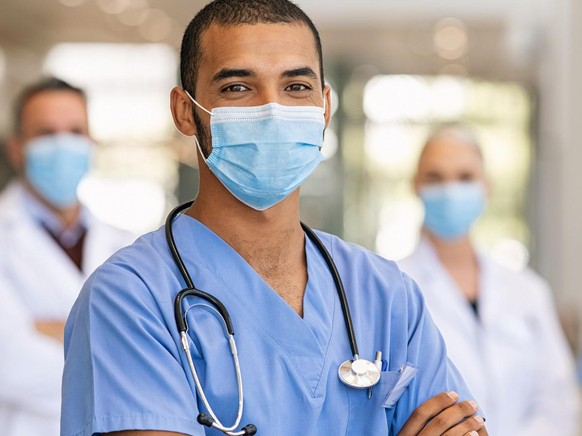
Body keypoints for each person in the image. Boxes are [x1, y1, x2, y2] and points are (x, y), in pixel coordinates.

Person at [61, 1, 489, 435]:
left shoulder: (385, 294)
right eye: (237, 88)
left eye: (296, 87)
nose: (272, 110)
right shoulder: (130, 298)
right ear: (186, 112)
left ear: (324, 108)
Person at [398, 123, 579, 435]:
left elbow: (557, 400)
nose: (451, 191)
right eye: (435, 177)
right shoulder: (393, 288)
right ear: (415, 185)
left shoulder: (527, 291)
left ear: (486, 186)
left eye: (465, 177)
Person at [0, 77, 136, 436]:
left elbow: (157, 348)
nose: (63, 144)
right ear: (17, 148)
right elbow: (9, 362)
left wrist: (53, 329)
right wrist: (111, 338)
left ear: (92, 143)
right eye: (46, 133)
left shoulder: (127, 244)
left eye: (75, 132)